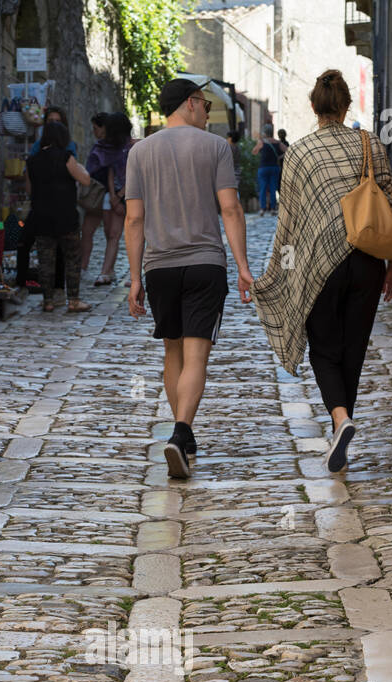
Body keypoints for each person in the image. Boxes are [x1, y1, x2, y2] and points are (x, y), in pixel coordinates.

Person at [252, 69, 392, 473]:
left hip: (320, 267)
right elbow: (388, 205)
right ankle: (343, 426)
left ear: (313, 106)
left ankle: (340, 420)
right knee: (352, 349)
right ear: (346, 105)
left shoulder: (299, 153)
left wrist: (278, 273)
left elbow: (290, 222)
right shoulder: (369, 143)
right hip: (368, 260)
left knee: (324, 347)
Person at [125, 78, 254, 479]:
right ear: (190, 104)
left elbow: (134, 218)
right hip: (204, 265)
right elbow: (230, 210)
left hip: (159, 267)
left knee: (173, 352)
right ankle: (181, 432)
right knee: (197, 354)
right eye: (205, 104)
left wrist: (134, 279)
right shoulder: (215, 147)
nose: (208, 112)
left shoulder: (140, 152)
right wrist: (243, 266)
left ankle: (183, 430)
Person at [25, 121, 92, 313]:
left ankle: (48, 301)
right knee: (72, 258)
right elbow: (85, 180)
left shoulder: (32, 161)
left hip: (41, 217)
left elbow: (29, 189)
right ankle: (73, 300)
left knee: (45, 260)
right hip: (65, 217)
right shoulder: (66, 157)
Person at [18, 108, 76, 300]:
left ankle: (55, 292)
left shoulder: (70, 149)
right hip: (43, 206)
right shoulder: (37, 150)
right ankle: (23, 283)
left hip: (56, 206)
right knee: (28, 243)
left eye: (56, 120)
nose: (53, 124)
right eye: (49, 120)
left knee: (55, 250)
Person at [86, 112, 135, 285]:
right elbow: (111, 171)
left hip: (132, 196)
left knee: (134, 235)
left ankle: (133, 274)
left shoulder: (134, 148)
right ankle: (107, 271)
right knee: (112, 234)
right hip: (115, 196)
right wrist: (114, 196)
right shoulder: (110, 148)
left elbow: (137, 175)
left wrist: (120, 196)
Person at [80, 113, 109, 273]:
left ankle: (103, 268)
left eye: (95, 128)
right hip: (100, 193)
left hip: (101, 192)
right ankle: (87, 265)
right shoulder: (101, 146)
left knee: (104, 233)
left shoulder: (105, 147)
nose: (93, 131)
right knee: (88, 231)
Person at [252, 123, 283, 214]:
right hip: (275, 167)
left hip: (263, 168)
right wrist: (279, 157)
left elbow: (254, 152)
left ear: (264, 132)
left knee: (263, 188)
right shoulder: (277, 142)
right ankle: (273, 209)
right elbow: (288, 150)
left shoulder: (262, 142)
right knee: (273, 188)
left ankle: (262, 209)